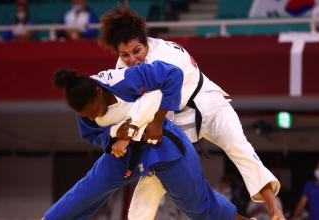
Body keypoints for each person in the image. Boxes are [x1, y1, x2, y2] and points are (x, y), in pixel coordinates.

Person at [99, 5, 285, 220]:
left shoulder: (166, 54)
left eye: (137, 51)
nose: (132, 59)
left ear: (146, 42)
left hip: (207, 104)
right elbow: (135, 107)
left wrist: (152, 125)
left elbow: (160, 97)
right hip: (174, 121)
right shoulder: (121, 67)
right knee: (152, 178)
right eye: (125, 54)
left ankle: (275, 211)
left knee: (239, 147)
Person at [43, 61, 252, 220]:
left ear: (99, 92)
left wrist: (159, 120)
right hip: (125, 152)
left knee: (198, 207)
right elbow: (91, 134)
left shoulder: (127, 79)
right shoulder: (83, 105)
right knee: (90, 187)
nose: (92, 117)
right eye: (86, 115)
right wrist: (113, 136)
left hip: (163, 144)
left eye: (93, 111)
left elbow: (173, 75)